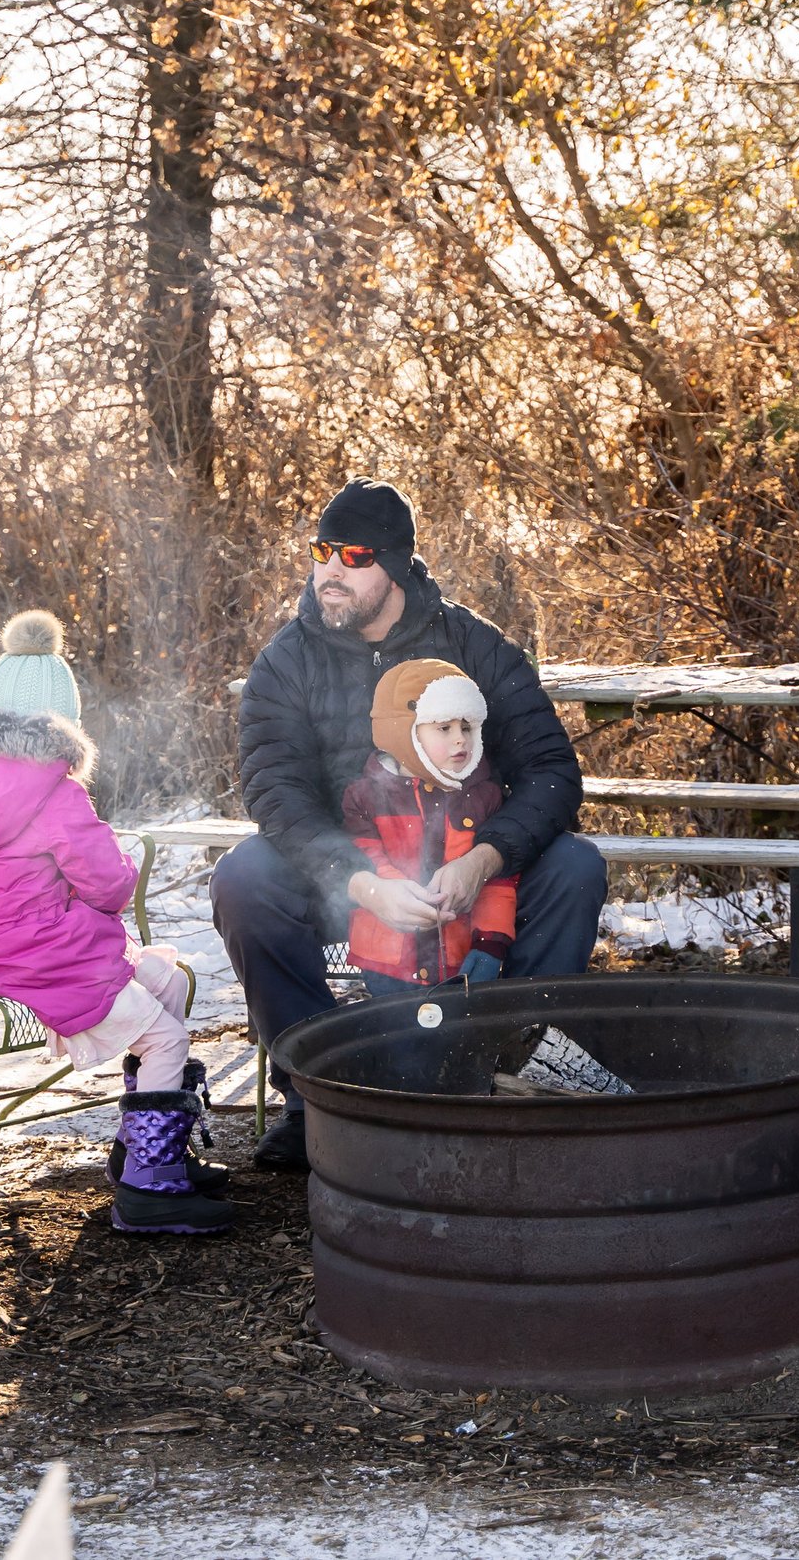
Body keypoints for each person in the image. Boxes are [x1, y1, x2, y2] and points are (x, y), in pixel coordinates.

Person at [213, 478, 605, 1169]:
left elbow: (552, 772)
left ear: (393, 565)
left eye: (354, 555)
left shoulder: (474, 645)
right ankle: (317, 1095)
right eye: (322, 551)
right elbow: (275, 794)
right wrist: (361, 881)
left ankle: (511, 1073)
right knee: (244, 879)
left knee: (575, 866)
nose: (331, 570)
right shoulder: (286, 661)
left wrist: (484, 858)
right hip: (345, 877)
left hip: (465, 864)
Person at [0, 613, 232, 1236]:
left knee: (168, 981)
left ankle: (145, 1149)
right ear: (60, 722)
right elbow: (109, 885)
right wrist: (104, 878)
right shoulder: (53, 788)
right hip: (51, 957)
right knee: (166, 1040)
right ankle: (150, 1190)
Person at [342, 659, 520, 992]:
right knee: (400, 1024)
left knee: (460, 1023)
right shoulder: (366, 796)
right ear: (404, 731)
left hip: (459, 958)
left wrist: (490, 942)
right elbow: (364, 858)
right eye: (444, 728)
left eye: (466, 727)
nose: (460, 740)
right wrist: (398, 893)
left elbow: (496, 881)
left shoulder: (484, 795)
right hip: (389, 959)